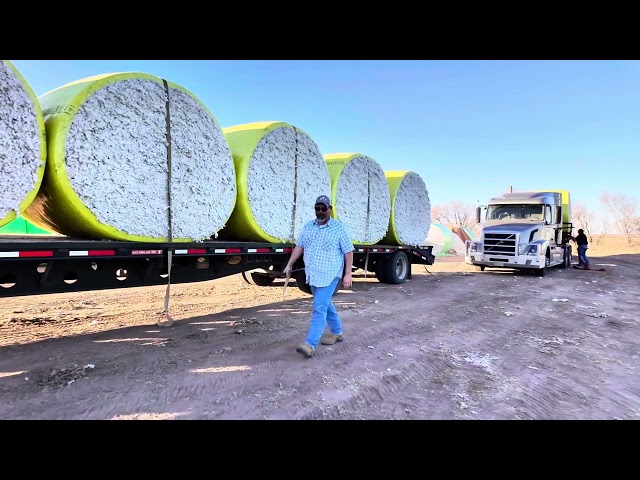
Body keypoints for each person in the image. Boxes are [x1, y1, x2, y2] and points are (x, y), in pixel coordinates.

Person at [283, 195, 355, 358]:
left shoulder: (338, 228)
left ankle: (310, 344)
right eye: (318, 208)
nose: (320, 211)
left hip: (330, 274)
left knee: (319, 307)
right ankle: (337, 332)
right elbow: (300, 246)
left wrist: (348, 274)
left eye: (324, 208)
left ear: (330, 209)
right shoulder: (308, 226)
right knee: (326, 303)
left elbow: (348, 251)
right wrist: (289, 264)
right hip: (313, 274)